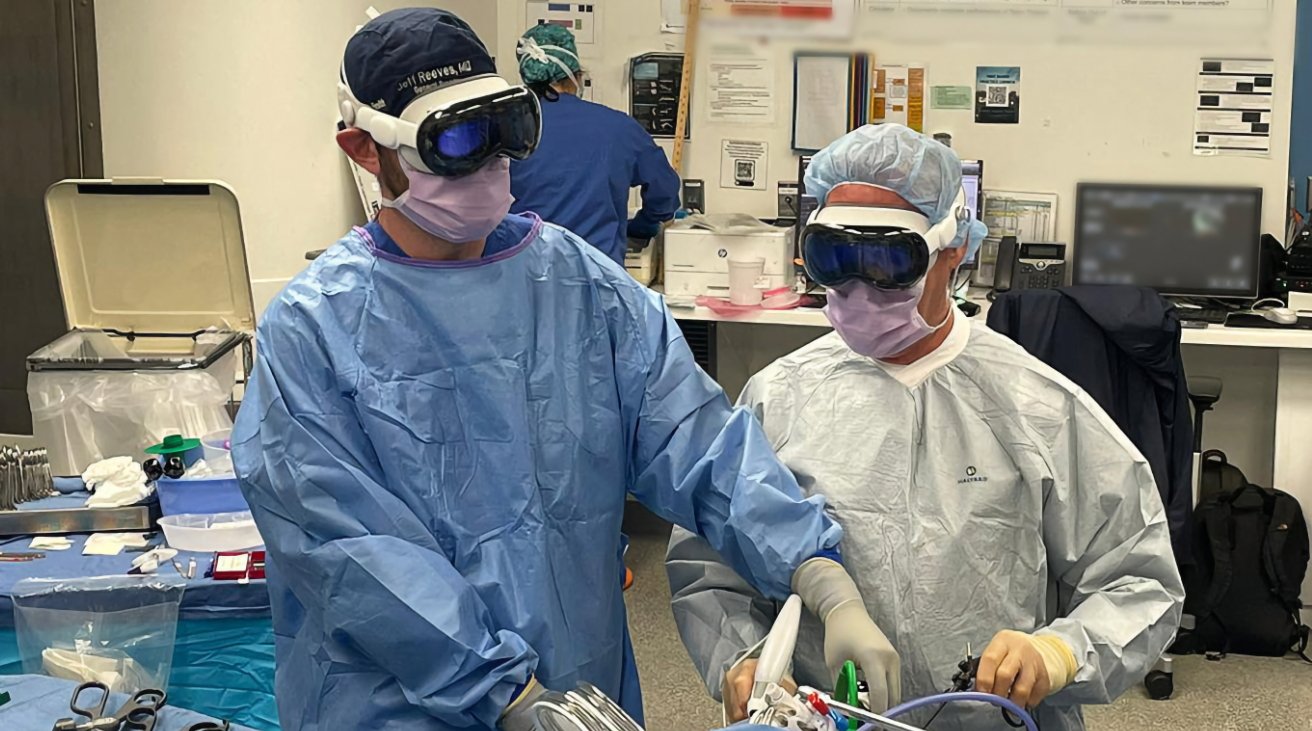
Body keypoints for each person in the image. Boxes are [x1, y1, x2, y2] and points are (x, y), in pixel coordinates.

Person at [232, 9, 890, 731]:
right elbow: (351, 552)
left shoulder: (582, 287)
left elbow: (698, 439)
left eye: (505, 128)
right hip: (398, 702)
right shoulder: (315, 328)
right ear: (365, 148)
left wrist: (815, 569)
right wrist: (505, 695)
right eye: (454, 140)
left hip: (580, 687)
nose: (489, 163)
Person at [666, 124, 1185, 730]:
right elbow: (710, 563)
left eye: (889, 260)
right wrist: (746, 659)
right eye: (836, 257)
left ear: (954, 249)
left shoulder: (1038, 407)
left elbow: (1139, 581)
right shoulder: (779, 398)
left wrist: (1058, 652)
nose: (859, 288)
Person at [508, 23, 680, 265]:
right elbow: (664, 190)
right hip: (597, 279)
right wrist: (644, 224)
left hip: (523, 274)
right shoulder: (619, 128)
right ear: (576, 76)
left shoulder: (505, 130)